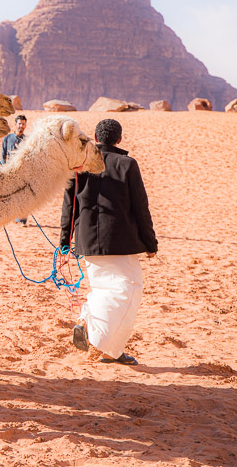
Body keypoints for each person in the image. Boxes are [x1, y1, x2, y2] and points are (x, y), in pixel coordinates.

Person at [59, 118, 157, 365]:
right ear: (120, 139)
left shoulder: (79, 166)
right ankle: (106, 347)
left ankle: (92, 330)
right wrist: (151, 243)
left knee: (103, 289)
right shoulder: (127, 164)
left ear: (95, 136)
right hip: (120, 241)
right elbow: (140, 207)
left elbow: (69, 207)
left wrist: (64, 241)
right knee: (127, 292)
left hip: (87, 241)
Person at [2, 115, 28, 225]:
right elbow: (3, 156)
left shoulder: (27, 140)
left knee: (24, 196)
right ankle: (13, 217)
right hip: (10, 172)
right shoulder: (7, 138)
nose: (21, 126)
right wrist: (3, 169)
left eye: (23, 124)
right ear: (15, 124)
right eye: (19, 124)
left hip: (23, 172)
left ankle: (23, 220)